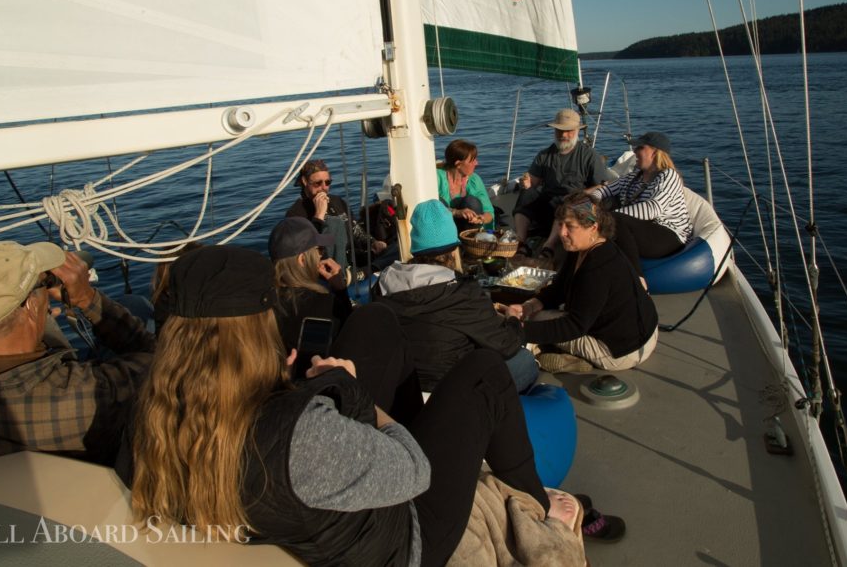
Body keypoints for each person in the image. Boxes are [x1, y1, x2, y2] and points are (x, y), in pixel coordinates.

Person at [115, 245, 585, 566]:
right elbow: (412, 471)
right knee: (482, 371)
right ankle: (537, 505)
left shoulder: (151, 415)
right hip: (405, 538)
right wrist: (352, 393)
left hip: (301, 493)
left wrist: (290, 386)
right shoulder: (301, 435)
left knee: (377, 321)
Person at [0, 241, 155, 463]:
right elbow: (159, 359)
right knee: (135, 305)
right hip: (98, 459)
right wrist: (86, 298)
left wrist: (39, 324)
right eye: (45, 283)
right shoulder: (93, 394)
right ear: (30, 305)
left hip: (12, 475)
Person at [374, 199, 538, 393]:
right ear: (454, 249)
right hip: (450, 391)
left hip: (403, 387)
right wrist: (511, 318)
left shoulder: (384, 284)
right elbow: (506, 344)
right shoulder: (462, 293)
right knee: (525, 361)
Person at [507, 193, 659, 373]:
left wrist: (518, 329)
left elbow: (574, 326)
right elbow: (559, 288)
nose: (562, 233)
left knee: (537, 321)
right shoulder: (584, 247)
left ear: (593, 227)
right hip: (642, 333)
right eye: (561, 224)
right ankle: (565, 354)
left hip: (622, 351)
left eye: (570, 227)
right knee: (535, 314)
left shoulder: (598, 267)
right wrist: (531, 305)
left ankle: (559, 355)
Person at [587, 131, 692, 279]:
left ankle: (637, 279)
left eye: (640, 148)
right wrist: (592, 204)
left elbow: (652, 209)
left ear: (655, 153)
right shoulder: (634, 177)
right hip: (639, 230)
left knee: (616, 220)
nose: (634, 151)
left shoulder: (668, 176)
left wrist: (607, 217)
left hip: (669, 234)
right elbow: (604, 190)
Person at [513, 109, 608, 259]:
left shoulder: (589, 155)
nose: (563, 135)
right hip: (548, 206)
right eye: (559, 130)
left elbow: (604, 186)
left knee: (567, 203)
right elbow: (533, 181)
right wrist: (526, 182)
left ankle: (549, 246)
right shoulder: (544, 154)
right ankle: (520, 242)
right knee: (526, 193)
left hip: (575, 209)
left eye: (568, 131)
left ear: (577, 130)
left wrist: (581, 195)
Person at [286, 158, 397, 273]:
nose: (323, 188)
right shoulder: (295, 214)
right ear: (304, 181)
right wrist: (319, 216)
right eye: (317, 183)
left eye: (327, 183)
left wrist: (373, 242)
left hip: (355, 258)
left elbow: (355, 229)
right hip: (328, 267)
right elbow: (309, 252)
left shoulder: (337, 201)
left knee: (397, 248)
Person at [268, 216, 353, 348]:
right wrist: (341, 291)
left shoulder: (265, 302)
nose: (321, 256)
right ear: (302, 260)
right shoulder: (324, 304)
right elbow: (348, 336)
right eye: (320, 250)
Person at [437, 138, 495, 232]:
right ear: (458, 164)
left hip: (468, 227)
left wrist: (482, 218)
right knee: (438, 201)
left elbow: (489, 212)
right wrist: (456, 212)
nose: (477, 163)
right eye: (472, 161)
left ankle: (471, 242)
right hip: (444, 227)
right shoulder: (437, 177)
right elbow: (432, 208)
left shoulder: (474, 180)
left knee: (471, 201)